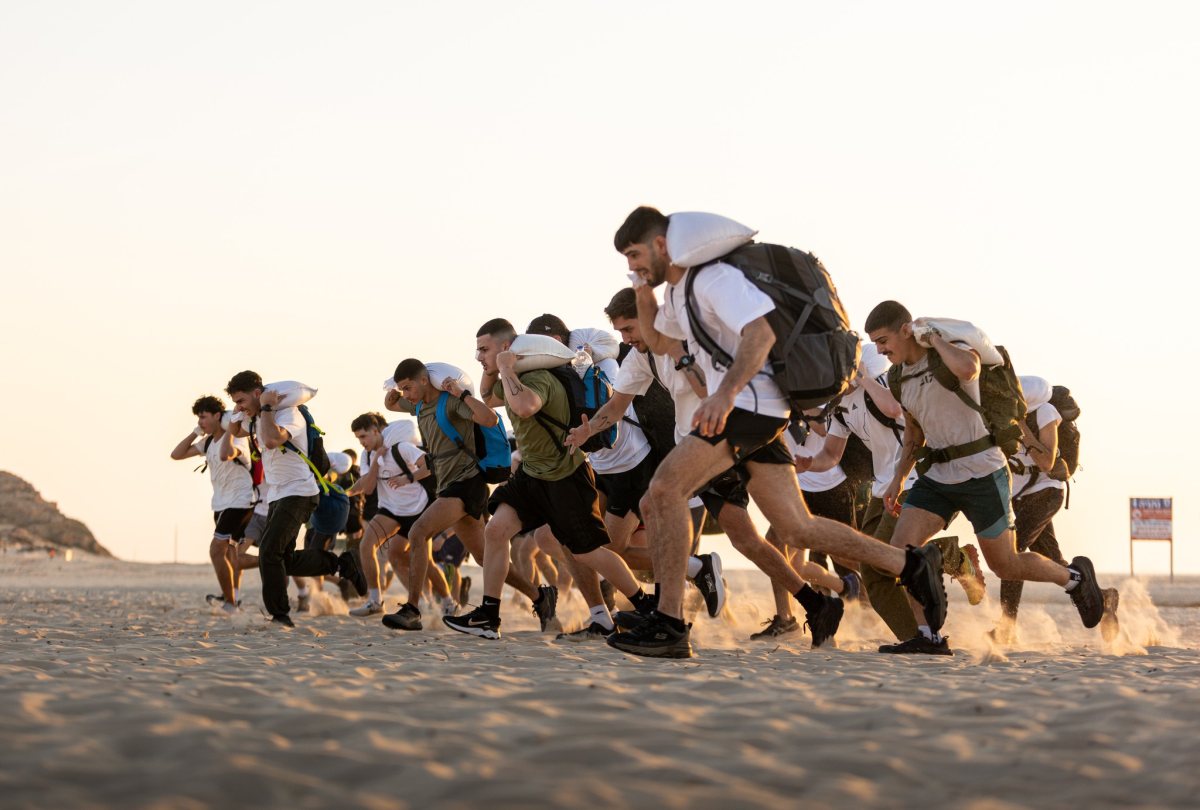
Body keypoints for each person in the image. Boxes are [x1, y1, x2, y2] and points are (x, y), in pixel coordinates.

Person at [608, 207, 946, 658]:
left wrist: (724, 394)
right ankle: (908, 562)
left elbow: (760, 334)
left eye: (635, 254)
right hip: (755, 412)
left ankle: (669, 621)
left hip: (749, 407)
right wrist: (640, 288)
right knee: (796, 527)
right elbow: (657, 339)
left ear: (662, 244)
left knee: (663, 491)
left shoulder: (713, 278)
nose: (632, 264)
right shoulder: (677, 292)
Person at [570, 288, 855, 648]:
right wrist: (587, 429)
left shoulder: (692, 341)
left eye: (629, 329)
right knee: (748, 538)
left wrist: (679, 356)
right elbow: (615, 406)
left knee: (659, 505)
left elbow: (712, 392)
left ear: (649, 318)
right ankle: (816, 603)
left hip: (726, 441)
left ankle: (667, 613)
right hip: (699, 447)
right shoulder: (640, 358)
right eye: (621, 332)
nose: (625, 339)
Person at [865, 301, 1105, 655]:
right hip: (938, 476)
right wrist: (898, 479)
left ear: (905, 330)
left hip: (982, 470)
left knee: (1005, 565)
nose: (881, 350)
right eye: (876, 343)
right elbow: (914, 434)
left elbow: (968, 370)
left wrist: (934, 339)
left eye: (884, 340)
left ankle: (1075, 579)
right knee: (902, 552)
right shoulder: (899, 378)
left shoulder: (947, 352)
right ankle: (928, 637)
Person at [443, 319, 656, 640]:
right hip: (531, 476)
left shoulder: (538, 376)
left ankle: (645, 606)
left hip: (565, 477)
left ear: (506, 348)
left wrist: (506, 368)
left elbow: (526, 406)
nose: (478, 355)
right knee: (496, 530)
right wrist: (491, 368)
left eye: (484, 349)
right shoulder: (513, 375)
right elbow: (489, 398)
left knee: (588, 552)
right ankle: (488, 615)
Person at [794, 351, 987, 642]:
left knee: (884, 560)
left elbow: (895, 409)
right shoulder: (840, 408)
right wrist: (811, 462)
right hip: (882, 485)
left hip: (914, 478)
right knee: (864, 562)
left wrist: (862, 377)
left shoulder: (884, 382)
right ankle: (916, 634)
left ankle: (938, 589)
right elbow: (831, 454)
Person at [386, 358, 557, 631]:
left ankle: (412, 609)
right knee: (484, 558)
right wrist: (393, 393)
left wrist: (462, 395)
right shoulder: (418, 405)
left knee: (418, 532)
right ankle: (541, 596)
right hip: (447, 485)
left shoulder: (449, 402)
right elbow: (391, 404)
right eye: (403, 389)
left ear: (423, 380)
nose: (406, 394)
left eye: (408, 387)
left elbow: (489, 418)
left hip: (467, 483)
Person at [224, 371, 366, 627]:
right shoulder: (257, 418)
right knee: (282, 560)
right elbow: (234, 429)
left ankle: (280, 615)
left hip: (300, 492)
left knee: (269, 551)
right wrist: (241, 411)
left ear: (258, 393)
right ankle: (341, 564)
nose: (239, 406)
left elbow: (271, 440)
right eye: (236, 401)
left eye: (242, 400)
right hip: (279, 495)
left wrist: (266, 405)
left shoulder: (289, 414)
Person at [345, 413, 457, 620]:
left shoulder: (401, 447)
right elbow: (367, 488)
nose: (362, 442)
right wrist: (347, 491)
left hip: (419, 509)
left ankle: (449, 602)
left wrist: (409, 478)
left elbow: (429, 465)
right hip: (389, 510)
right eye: (358, 438)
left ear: (376, 431)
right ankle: (376, 601)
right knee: (368, 546)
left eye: (364, 436)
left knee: (424, 561)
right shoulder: (368, 455)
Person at [169, 395, 258, 614]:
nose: (200, 422)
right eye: (198, 418)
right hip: (220, 503)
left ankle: (230, 603)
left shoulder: (235, 439)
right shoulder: (207, 442)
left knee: (216, 549)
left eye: (203, 417)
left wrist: (230, 427)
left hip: (240, 501)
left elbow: (226, 454)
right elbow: (176, 454)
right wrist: (196, 433)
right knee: (230, 554)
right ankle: (234, 595)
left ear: (218, 416)